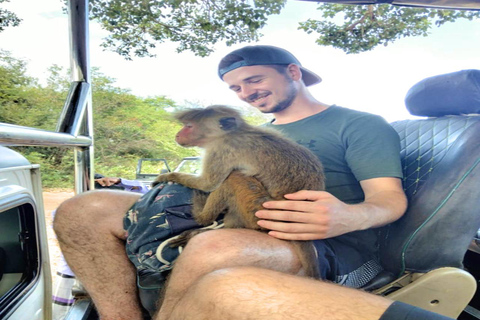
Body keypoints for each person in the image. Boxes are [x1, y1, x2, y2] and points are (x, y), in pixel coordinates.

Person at [53, 45, 410, 320]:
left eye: (254, 80)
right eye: (236, 87)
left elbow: (390, 199)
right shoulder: (251, 133)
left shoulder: (358, 123)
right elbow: (217, 183)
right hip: (237, 215)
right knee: (84, 210)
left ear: (293, 72)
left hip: (321, 241)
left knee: (214, 248)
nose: (246, 93)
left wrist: (351, 216)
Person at [51, 174, 149, 320]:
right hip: (76, 274)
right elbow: (146, 194)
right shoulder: (75, 214)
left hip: (76, 272)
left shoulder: (67, 212)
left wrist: (121, 181)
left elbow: (146, 193)